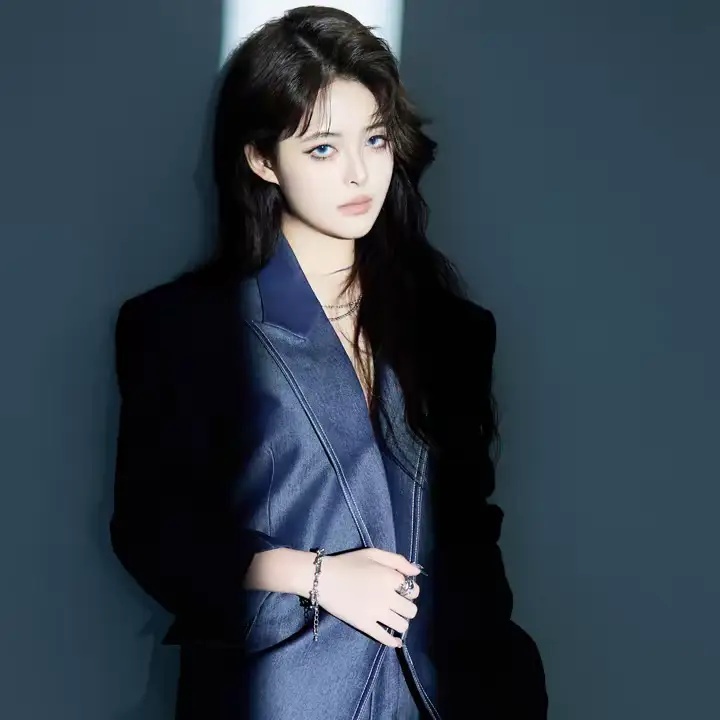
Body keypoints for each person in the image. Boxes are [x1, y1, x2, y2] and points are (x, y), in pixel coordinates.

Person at [110, 6, 547, 719]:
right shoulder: (186, 328)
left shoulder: (453, 330)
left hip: (444, 696)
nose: (358, 173)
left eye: (374, 139)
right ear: (262, 159)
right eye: (321, 148)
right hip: (284, 690)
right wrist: (316, 576)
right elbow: (154, 531)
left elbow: (471, 535)